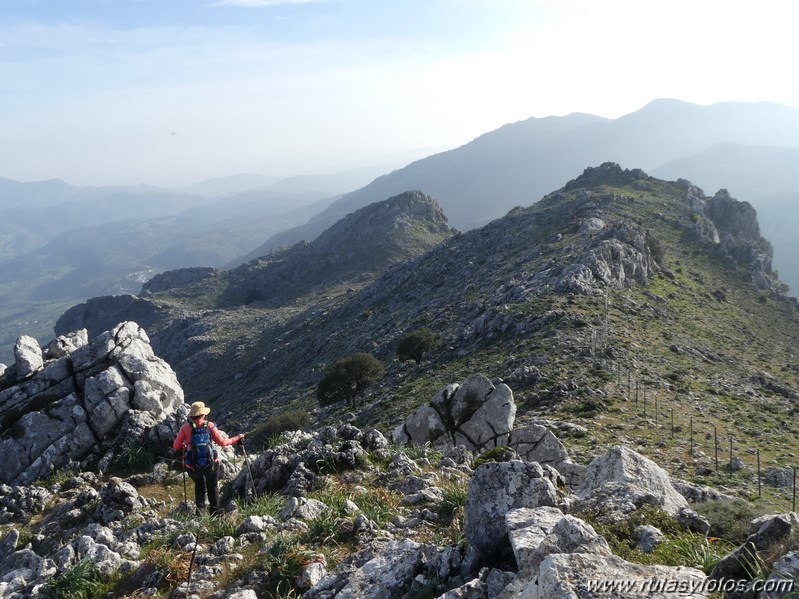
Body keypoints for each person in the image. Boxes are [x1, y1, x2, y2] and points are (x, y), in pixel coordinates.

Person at [173, 401, 244, 516]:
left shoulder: (185, 428)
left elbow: (176, 446)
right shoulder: (210, 426)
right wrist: (237, 438)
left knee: (199, 486)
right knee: (213, 486)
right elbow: (223, 442)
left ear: (192, 415)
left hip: (193, 465)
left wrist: (185, 445)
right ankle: (215, 513)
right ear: (204, 414)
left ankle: (200, 515)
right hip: (211, 464)